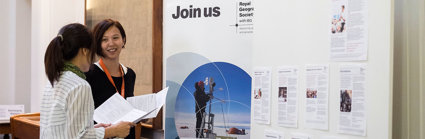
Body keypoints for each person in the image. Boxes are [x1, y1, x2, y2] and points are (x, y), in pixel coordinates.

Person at [40, 23, 134, 138]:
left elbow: (67, 131)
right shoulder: (79, 85)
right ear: (85, 51)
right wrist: (113, 131)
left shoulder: (54, 80)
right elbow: (78, 136)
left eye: (115, 38)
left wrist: (92, 128)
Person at [85, 19, 137, 139]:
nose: (111, 43)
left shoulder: (129, 74)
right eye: (104, 40)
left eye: (115, 38)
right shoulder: (89, 74)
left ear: (123, 40)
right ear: (98, 44)